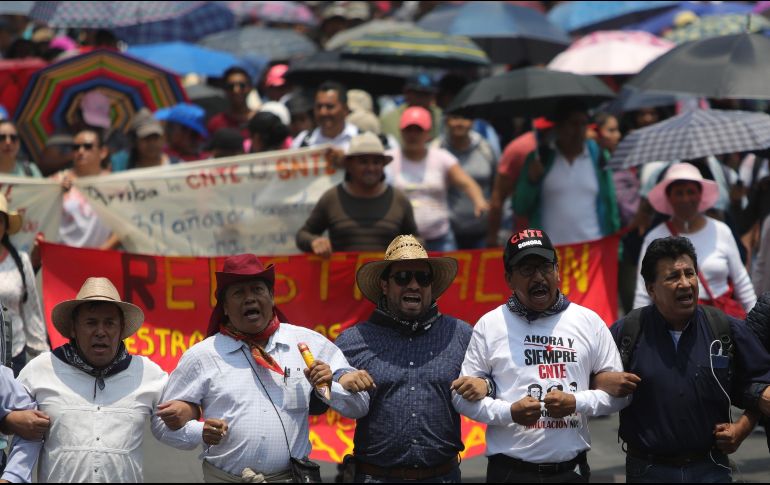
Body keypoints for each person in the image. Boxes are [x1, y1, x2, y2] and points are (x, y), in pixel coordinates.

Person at [152, 254, 372, 482]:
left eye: (257, 289)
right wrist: (200, 432)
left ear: (272, 297)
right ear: (225, 307)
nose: (250, 299)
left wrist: (329, 387)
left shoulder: (308, 345)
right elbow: (160, 425)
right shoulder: (202, 356)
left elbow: (360, 407)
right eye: (239, 293)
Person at [452, 228, 629, 483]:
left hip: (571, 472)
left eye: (545, 267)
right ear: (509, 279)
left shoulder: (588, 321)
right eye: (526, 269)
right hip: (510, 472)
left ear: (557, 271)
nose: (538, 277)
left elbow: (620, 396)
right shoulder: (490, 325)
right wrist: (509, 412)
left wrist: (576, 402)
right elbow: (461, 399)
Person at [601, 237, 770, 482]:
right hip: (647, 470)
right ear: (651, 289)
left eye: (689, 274)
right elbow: (586, 376)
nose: (685, 283)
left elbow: (760, 381)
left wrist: (742, 427)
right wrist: (602, 379)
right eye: (672, 277)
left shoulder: (723, 328)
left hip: (711, 468)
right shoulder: (628, 332)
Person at [1, 277, 198, 483]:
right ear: (73, 329)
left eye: (109, 323)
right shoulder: (40, 369)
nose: (101, 332)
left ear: (121, 329)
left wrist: (194, 416)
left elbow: (173, 428)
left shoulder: (148, 374)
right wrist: (8, 421)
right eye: (91, 323)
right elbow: (11, 420)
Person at [334, 235, 490, 483]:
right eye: (403, 277)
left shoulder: (461, 335)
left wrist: (486, 384)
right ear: (384, 285)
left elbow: (499, 380)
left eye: (423, 278)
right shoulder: (352, 341)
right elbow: (315, 398)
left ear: (431, 285)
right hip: (375, 477)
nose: (414, 285)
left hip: (444, 477)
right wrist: (338, 378)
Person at [633, 163, 756, 318]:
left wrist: (756, 325)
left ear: (700, 195)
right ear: (669, 198)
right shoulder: (654, 237)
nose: (685, 199)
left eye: (691, 192)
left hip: (720, 322)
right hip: (672, 324)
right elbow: (643, 292)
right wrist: (636, 328)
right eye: (679, 193)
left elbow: (741, 282)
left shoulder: (721, 231)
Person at [514, 102, 620, 245]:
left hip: (591, 254)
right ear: (559, 127)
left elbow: (610, 204)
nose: (579, 130)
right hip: (550, 257)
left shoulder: (599, 157)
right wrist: (531, 182)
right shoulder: (540, 159)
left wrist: (615, 247)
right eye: (573, 124)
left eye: (583, 124)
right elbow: (520, 207)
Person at [296, 132, 418, 256]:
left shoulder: (399, 200)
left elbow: (418, 239)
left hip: (387, 275)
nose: (371, 168)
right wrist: (314, 242)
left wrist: (409, 248)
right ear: (349, 165)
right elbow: (302, 235)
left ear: (383, 166)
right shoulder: (332, 198)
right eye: (363, 162)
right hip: (343, 275)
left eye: (376, 162)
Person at [386, 107, 489, 252]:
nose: (413, 135)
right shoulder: (388, 159)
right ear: (401, 131)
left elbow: (467, 183)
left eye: (418, 130)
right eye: (408, 130)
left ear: (428, 133)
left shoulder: (441, 157)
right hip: (401, 241)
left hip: (439, 239)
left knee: (448, 274)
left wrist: (479, 201)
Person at [0, 194, 47, 376]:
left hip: (14, 356)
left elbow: (32, 311)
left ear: (5, 226)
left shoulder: (21, 260)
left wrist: (42, 355)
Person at [435, 113, 497, 249]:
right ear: (446, 121)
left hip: (482, 231)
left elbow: (497, 186)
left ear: (473, 122)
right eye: (455, 118)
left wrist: (495, 229)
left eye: (465, 118)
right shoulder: (436, 149)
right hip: (447, 235)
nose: (460, 123)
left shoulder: (485, 148)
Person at [291, 81, 359, 152]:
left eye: (329, 107)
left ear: (345, 109)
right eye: (319, 107)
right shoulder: (302, 141)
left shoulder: (359, 138)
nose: (323, 112)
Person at [380, 74, 442, 146]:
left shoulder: (441, 117)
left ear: (433, 96)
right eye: (417, 93)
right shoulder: (389, 119)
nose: (421, 98)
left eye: (426, 94)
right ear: (406, 93)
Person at [111, 108, 177, 172]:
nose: (152, 143)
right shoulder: (124, 169)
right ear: (134, 141)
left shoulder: (176, 166)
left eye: (155, 137)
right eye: (146, 138)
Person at [206, 67, 256, 141]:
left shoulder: (259, 120)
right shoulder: (216, 123)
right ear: (224, 90)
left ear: (250, 88)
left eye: (242, 86)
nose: (236, 90)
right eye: (230, 86)